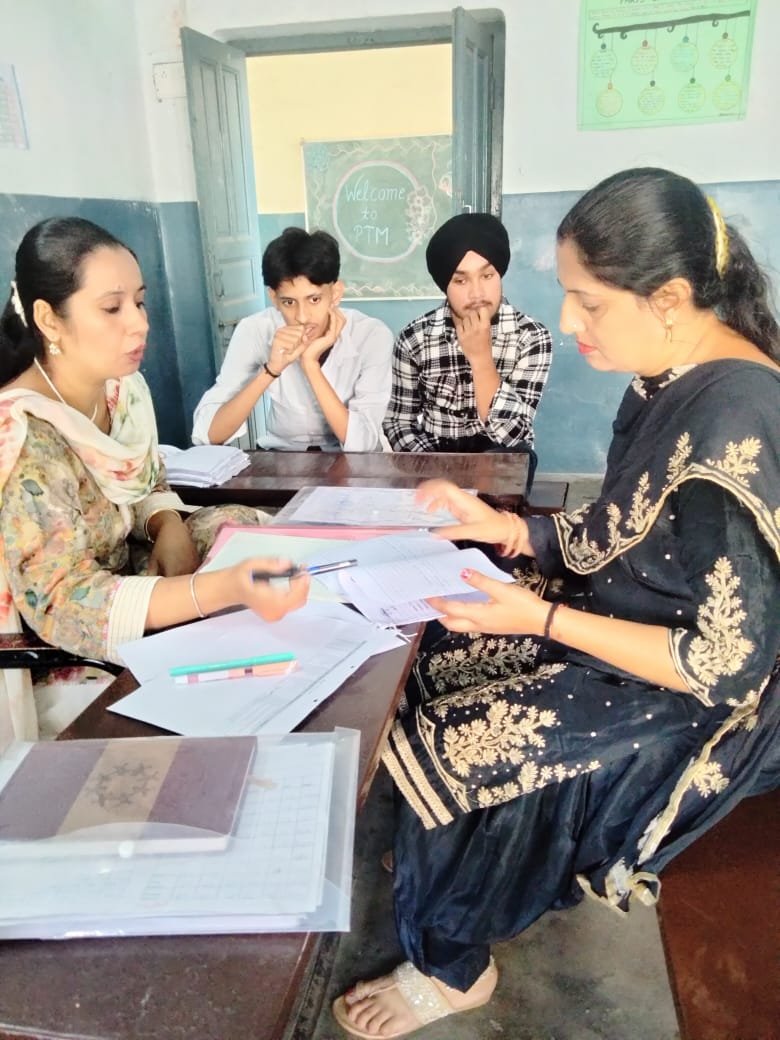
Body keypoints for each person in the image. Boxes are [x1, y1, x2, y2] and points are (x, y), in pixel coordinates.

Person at [333, 168, 780, 1038]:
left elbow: (726, 667)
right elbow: (627, 524)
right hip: (635, 620)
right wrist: (508, 530)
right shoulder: (674, 371)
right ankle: (451, 853)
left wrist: (539, 617)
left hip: (694, 692)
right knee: (435, 651)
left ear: (669, 297)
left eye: (588, 302)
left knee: (453, 744)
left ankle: (455, 964)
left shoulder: (735, 423)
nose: (568, 322)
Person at [0, 217, 309, 741]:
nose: (139, 324)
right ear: (49, 319)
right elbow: (62, 604)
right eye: (112, 308)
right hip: (70, 646)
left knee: (250, 529)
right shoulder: (23, 438)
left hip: (135, 568)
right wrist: (215, 589)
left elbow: (148, 480)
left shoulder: (120, 391)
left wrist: (166, 523)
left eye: (139, 302)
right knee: (241, 675)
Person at [382, 212, 552, 482]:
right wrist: (434, 472)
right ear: (445, 286)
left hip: (501, 460)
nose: (477, 293)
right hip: (434, 460)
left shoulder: (532, 337)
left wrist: (481, 359)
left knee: (515, 460)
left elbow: (514, 435)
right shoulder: (414, 338)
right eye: (461, 281)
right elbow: (399, 423)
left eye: (487, 275)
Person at [191, 227, 394, 451]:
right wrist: (271, 370)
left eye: (314, 299)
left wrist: (310, 365)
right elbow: (209, 435)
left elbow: (363, 443)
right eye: (288, 302)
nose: (302, 317)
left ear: (336, 293)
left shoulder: (371, 335)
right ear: (274, 298)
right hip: (282, 456)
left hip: (356, 462)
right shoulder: (255, 329)